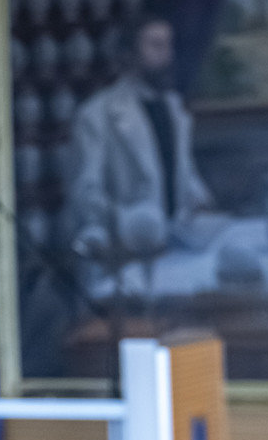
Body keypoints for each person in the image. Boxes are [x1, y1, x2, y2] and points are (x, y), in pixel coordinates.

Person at [69, 15, 212, 261]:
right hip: (123, 254)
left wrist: (199, 202)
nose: (166, 55)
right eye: (155, 45)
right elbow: (86, 192)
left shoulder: (173, 108)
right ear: (130, 55)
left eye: (168, 45)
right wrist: (132, 222)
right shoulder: (97, 115)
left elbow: (184, 173)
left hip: (177, 250)